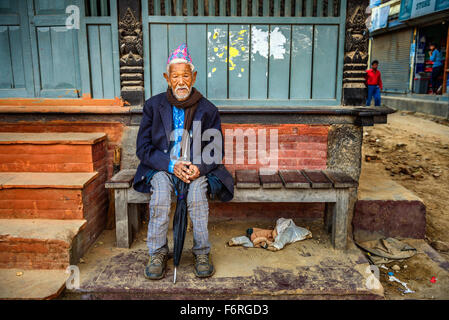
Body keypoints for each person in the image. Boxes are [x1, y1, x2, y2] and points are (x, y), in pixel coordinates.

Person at [133, 43, 234, 280]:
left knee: (197, 197)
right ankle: (157, 252)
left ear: (194, 77)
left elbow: (215, 150)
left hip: (196, 169)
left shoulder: (208, 109)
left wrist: (198, 168)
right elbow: (143, 148)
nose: (181, 82)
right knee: (159, 195)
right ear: (167, 78)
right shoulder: (153, 106)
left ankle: (201, 253)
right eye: (175, 76)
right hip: (162, 167)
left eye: (185, 76)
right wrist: (171, 165)